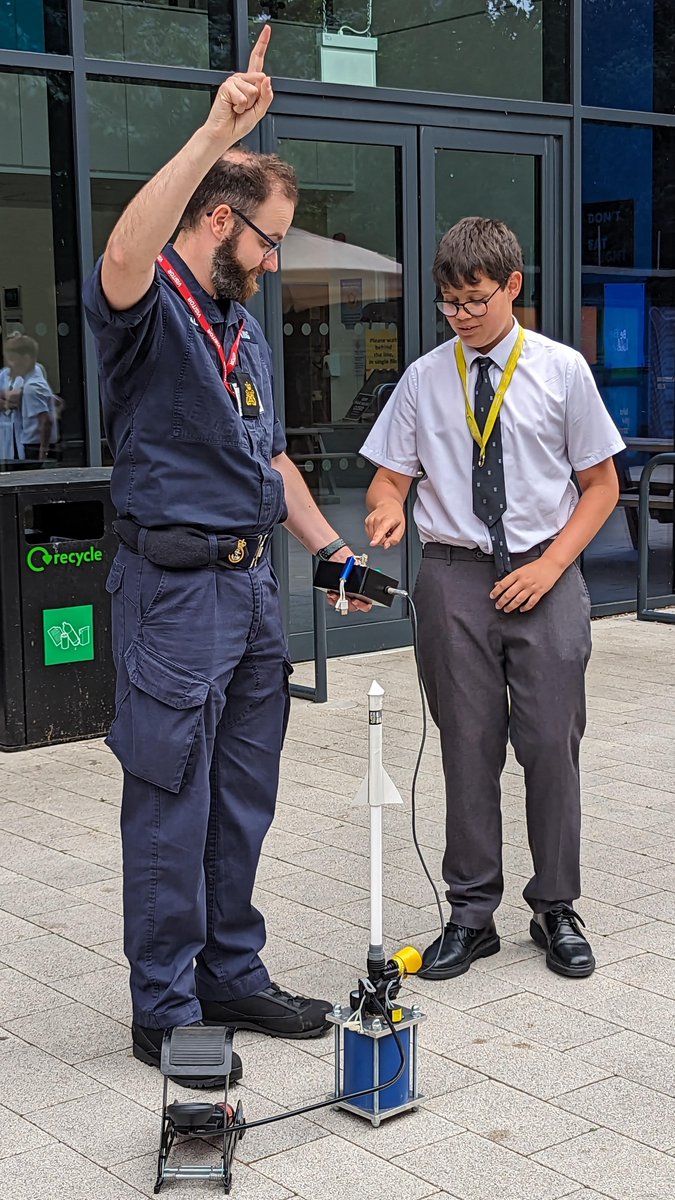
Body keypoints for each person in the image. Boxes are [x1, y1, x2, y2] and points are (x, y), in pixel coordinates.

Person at [83, 25, 368, 1091]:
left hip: (252, 589)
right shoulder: (149, 310)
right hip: (173, 591)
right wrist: (213, 131)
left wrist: (331, 556)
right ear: (219, 218)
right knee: (172, 796)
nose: (276, 257)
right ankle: (164, 1005)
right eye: (269, 238)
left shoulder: (243, 328)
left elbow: (275, 456)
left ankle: (230, 970)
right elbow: (119, 254)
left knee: (243, 793)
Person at [361, 216, 624, 983]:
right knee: (465, 746)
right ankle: (470, 915)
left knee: (549, 744)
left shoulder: (561, 370)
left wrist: (550, 569)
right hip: (452, 576)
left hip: (545, 574)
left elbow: (601, 486)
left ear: (512, 285)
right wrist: (384, 504)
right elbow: (391, 474)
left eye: (474, 300)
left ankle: (554, 909)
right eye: (448, 304)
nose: (461, 316)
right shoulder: (422, 378)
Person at [2, 335, 58, 461]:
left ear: (26, 359)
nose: (9, 366)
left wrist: (43, 452)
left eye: (12, 360)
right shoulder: (29, 383)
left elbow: (45, 421)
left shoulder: (32, 387)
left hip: (35, 446)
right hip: (28, 442)